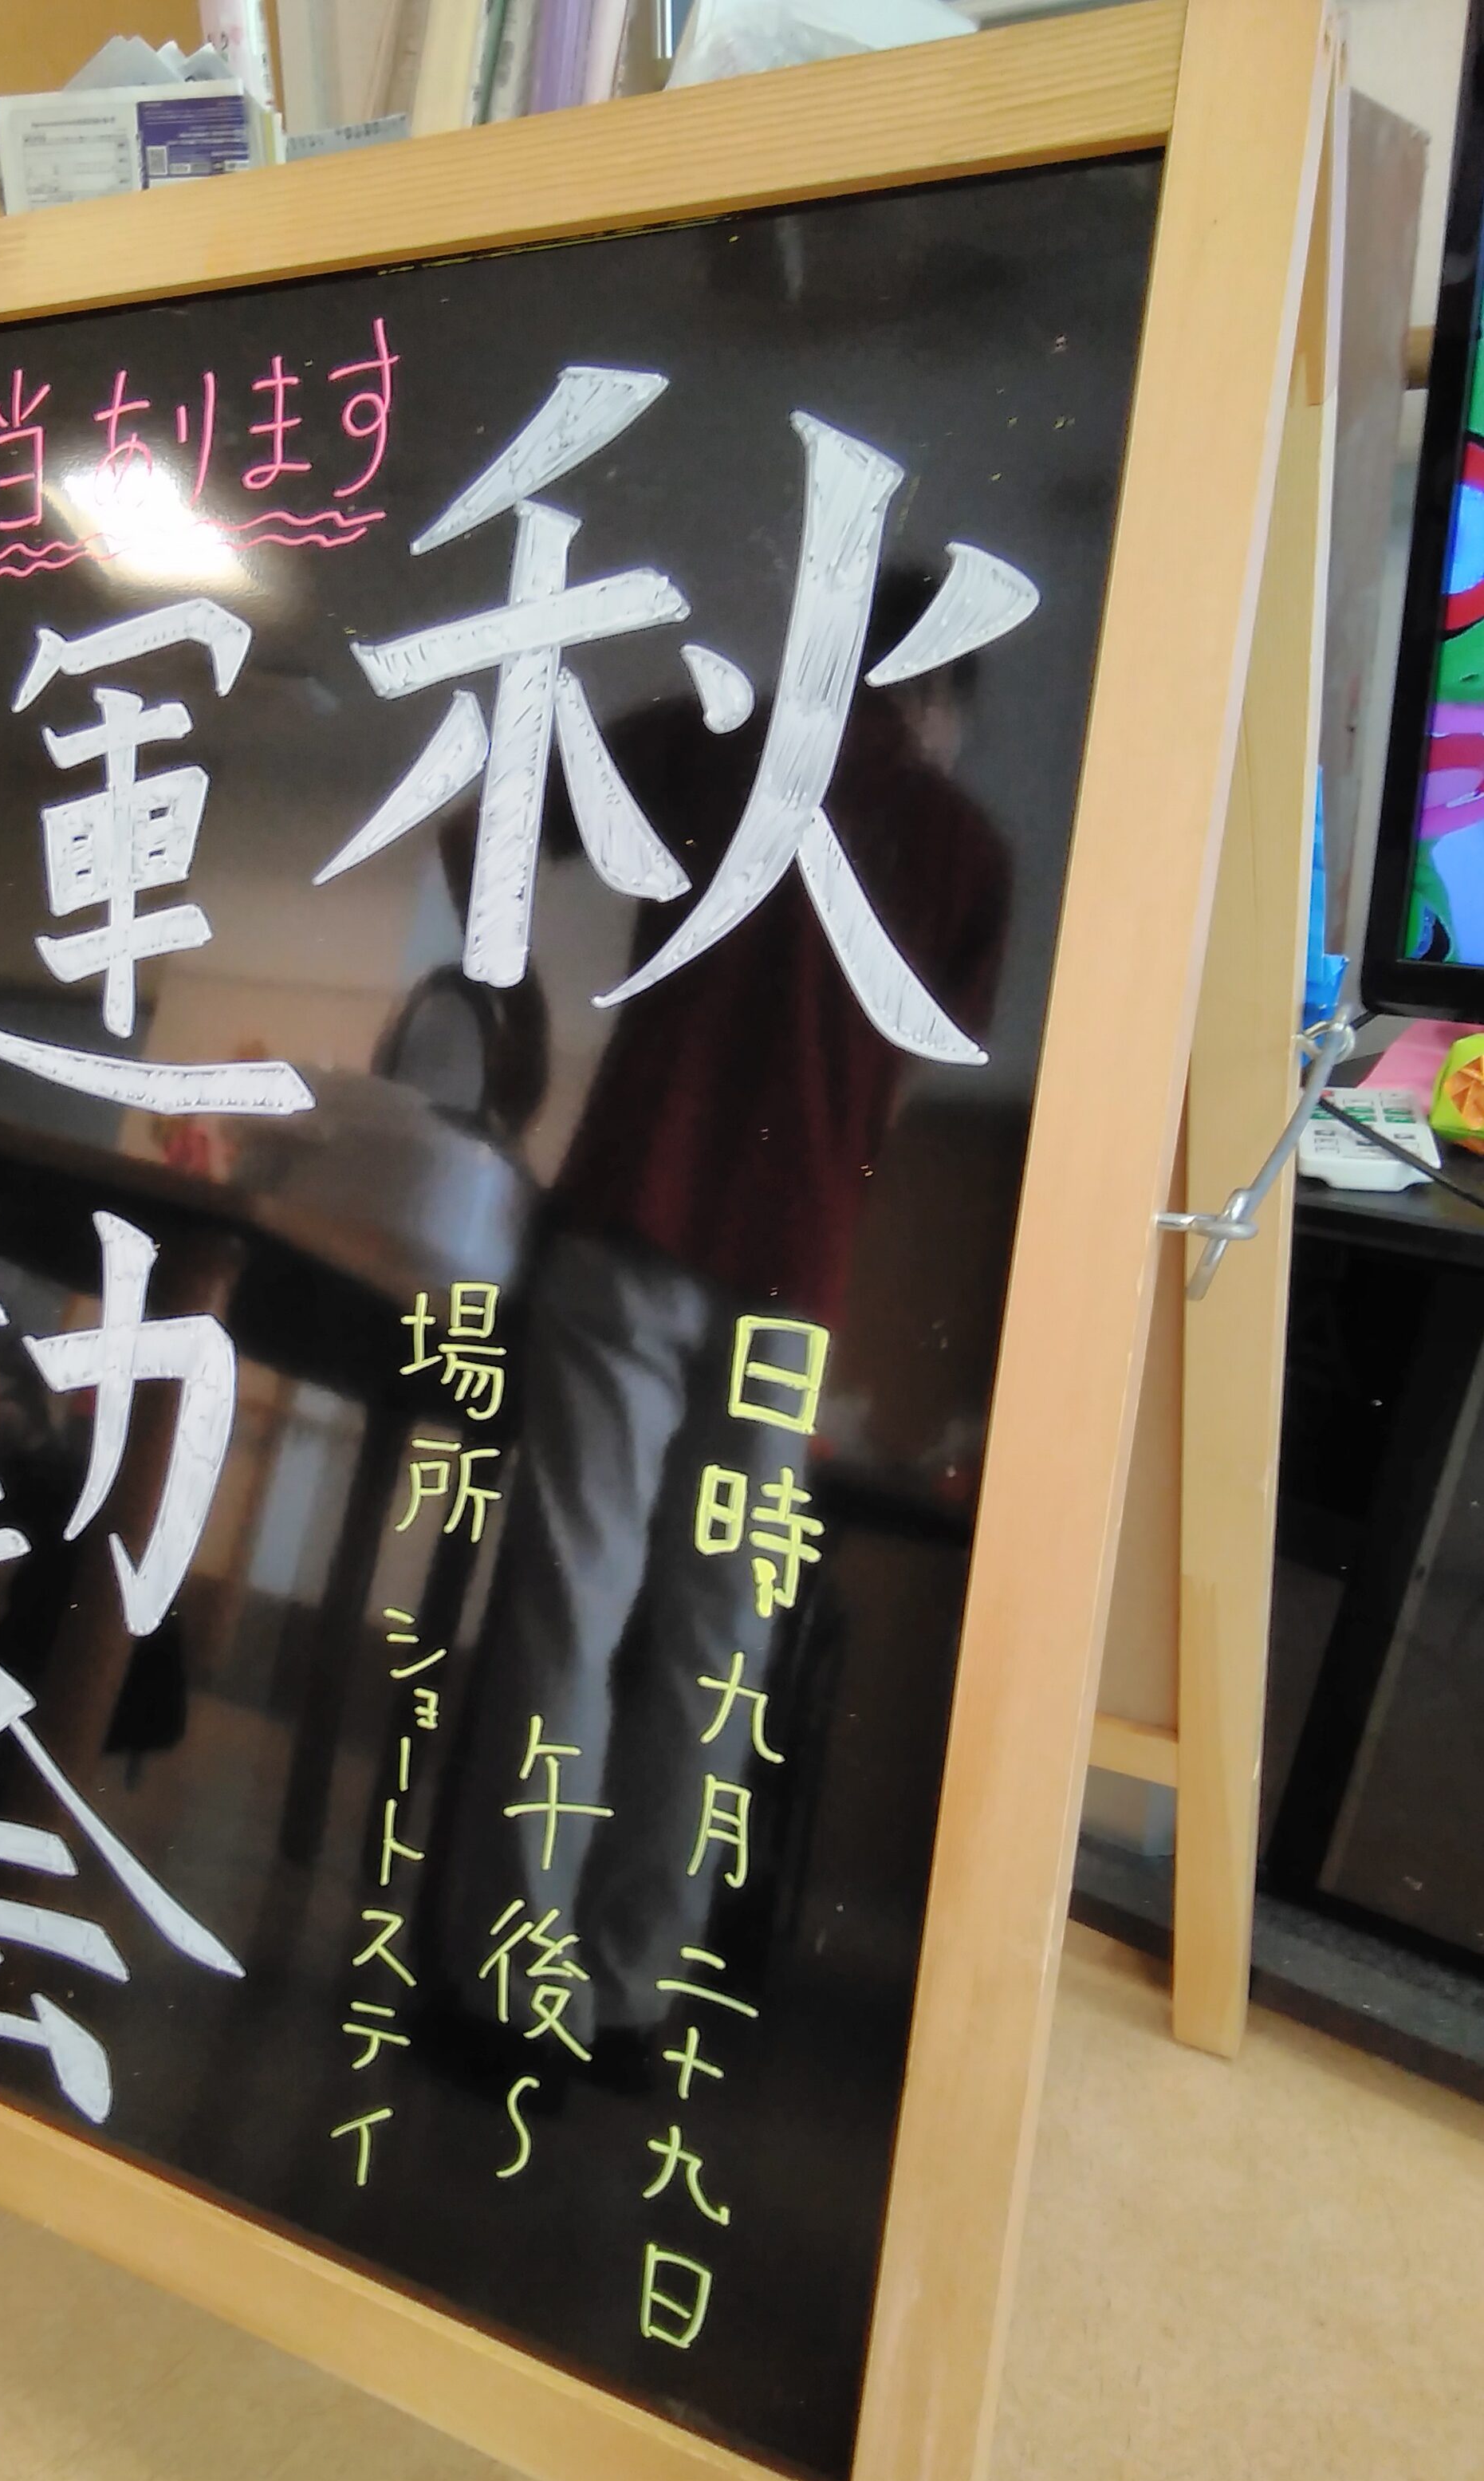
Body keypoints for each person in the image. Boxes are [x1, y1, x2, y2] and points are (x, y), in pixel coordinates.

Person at [424, 565, 1012, 2080]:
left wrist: (507, 1009)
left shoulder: (715, 738)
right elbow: (913, 1068)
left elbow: (479, 830)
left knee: (571, 1593)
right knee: (718, 1633)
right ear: (942, 696)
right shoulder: (967, 855)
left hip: (633, 1220)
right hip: (792, 1281)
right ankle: (631, 1998)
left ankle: (507, 1998)